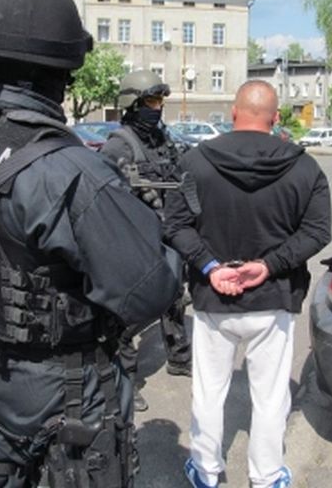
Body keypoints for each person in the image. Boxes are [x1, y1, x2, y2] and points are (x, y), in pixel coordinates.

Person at [0, 0, 182, 488]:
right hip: (67, 396)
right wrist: (154, 231)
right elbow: (151, 289)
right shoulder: (67, 169)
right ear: (61, 72)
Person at [164, 80, 332, 488]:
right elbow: (317, 232)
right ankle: (267, 475)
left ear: (234, 113)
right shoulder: (305, 167)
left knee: (209, 391)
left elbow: (175, 225)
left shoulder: (195, 162)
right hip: (273, 299)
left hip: (213, 298)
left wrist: (210, 267)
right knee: (271, 396)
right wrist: (268, 266)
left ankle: (206, 470)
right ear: (276, 118)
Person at [100, 70, 192, 412]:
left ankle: (179, 358)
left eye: (160, 101)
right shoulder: (118, 146)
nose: (158, 108)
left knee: (174, 299)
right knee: (128, 316)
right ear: (133, 104)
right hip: (133, 244)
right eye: (152, 101)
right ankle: (126, 379)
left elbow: (184, 168)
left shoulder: (161, 140)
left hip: (166, 236)